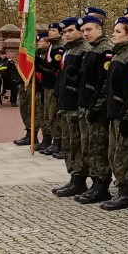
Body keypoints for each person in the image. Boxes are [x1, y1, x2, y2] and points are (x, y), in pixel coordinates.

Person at [99, 18, 128, 210]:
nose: (113, 34)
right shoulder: (117, 56)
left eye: (118, 31)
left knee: (125, 154)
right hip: (114, 113)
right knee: (114, 153)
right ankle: (121, 190)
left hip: (124, 116)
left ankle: (127, 194)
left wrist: (127, 116)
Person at [74, 15, 114, 204]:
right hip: (85, 106)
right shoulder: (92, 49)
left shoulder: (105, 49)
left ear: (99, 29)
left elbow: (104, 83)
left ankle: (102, 185)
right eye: (83, 31)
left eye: (89, 30)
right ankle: (94, 182)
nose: (85, 34)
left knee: (98, 147)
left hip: (96, 109)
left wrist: (95, 107)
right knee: (88, 146)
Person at [50, 18, 89, 195]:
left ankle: (79, 179)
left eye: (70, 31)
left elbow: (83, 79)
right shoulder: (69, 49)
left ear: (80, 32)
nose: (66, 34)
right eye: (64, 32)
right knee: (68, 144)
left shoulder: (83, 50)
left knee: (76, 144)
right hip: (65, 104)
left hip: (75, 105)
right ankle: (73, 176)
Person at [39, 22, 65, 156]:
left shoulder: (59, 48)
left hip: (54, 85)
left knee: (54, 115)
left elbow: (54, 68)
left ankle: (58, 142)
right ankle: (52, 140)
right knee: (48, 115)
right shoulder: (53, 46)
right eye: (49, 30)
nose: (50, 32)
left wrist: (39, 66)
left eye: (53, 30)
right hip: (47, 85)